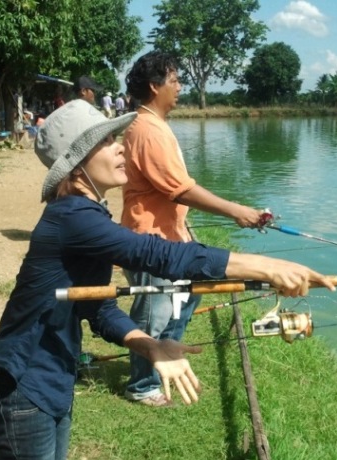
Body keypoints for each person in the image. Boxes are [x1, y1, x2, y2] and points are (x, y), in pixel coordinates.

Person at [0, 99, 335, 460]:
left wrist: (150, 345)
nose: (121, 146)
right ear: (77, 163)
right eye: (107, 141)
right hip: (19, 390)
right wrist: (267, 267)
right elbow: (155, 253)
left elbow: (99, 305)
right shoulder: (72, 218)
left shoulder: (86, 214)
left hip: (49, 384)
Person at [121, 50, 265, 406]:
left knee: (188, 294)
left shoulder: (155, 126)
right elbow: (180, 189)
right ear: (155, 87)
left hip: (171, 237)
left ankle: (167, 356)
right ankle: (142, 385)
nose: (180, 87)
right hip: (150, 242)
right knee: (154, 312)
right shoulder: (148, 130)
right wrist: (235, 211)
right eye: (174, 81)